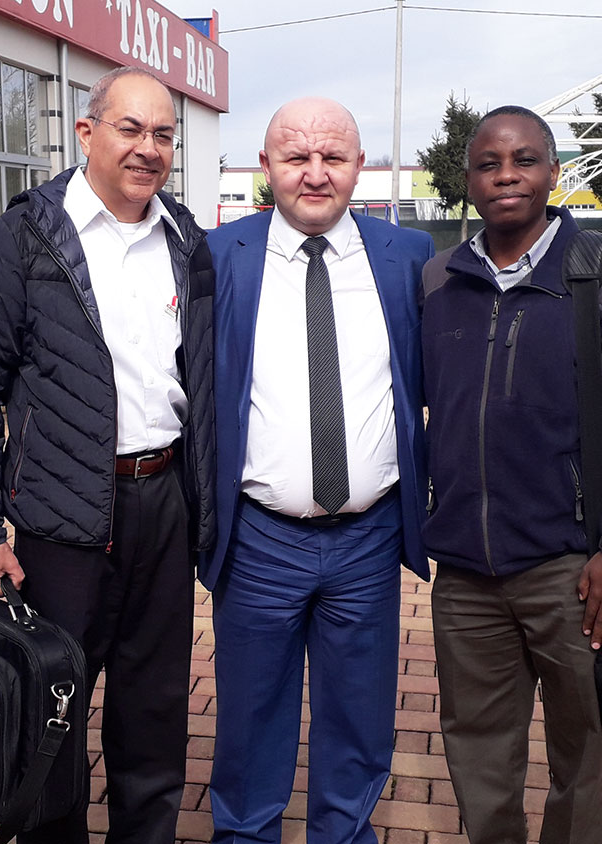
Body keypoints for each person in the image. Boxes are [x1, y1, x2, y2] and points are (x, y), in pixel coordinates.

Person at [0, 66, 215, 844]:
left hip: (164, 503)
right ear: (87, 134)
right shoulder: (26, 237)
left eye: (163, 134)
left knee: (154, 706)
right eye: (130, 129)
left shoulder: (185, 240)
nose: (148, 148)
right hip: (62, 518)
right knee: (50, 704)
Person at [419, 105, 602, 844]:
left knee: (582, 750)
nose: (507, 176)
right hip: (468, 575)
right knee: (477, 751)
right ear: (467, 180)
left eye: (525, 160)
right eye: (488, 163)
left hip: (574, 570)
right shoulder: (441, 280)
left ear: (553, 172)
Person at [202, 98, 435, 844]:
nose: (314, 173)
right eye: (296, 157)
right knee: (248, 718)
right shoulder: (215, 255)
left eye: (332, 157)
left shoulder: (409, 257)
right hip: (259, 540)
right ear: (265, 166)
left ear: (359, 167)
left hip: (368, 538)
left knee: (360, 718)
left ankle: (345, 834)